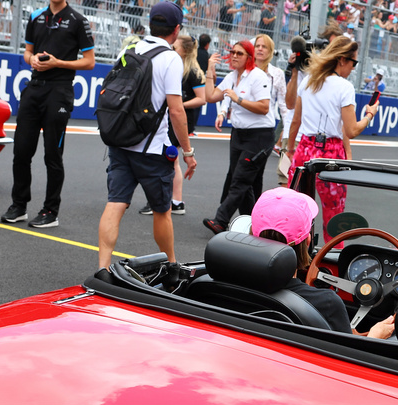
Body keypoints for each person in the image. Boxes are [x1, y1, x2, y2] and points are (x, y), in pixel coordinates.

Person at [96, 2, 196, 270]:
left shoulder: (130, 48)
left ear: (151, 23)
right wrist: (188, 152)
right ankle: (172, 267)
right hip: (152, 150)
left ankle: (103, 268)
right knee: (162, 211)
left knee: (115, 204)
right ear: (176, 29)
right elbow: (176, 111)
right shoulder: (171, 58)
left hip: (120, 142)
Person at [249, 188, 395, 338]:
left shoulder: (231, 281)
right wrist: (374, 337)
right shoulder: (327, 303)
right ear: (308, 241)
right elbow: (346, 356)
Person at [0, 0, 94, 228]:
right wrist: (30, 59)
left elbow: (90, 62)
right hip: (34, 88)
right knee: (21, 151)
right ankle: (19, 205)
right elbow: (27, 51)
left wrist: (58, 63)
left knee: (52, 154)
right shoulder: (36, 16)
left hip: (60, 90)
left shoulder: (79, 21)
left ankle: (51, 210)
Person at [285, 36, 377, 239]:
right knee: (334, 214)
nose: (353, 68)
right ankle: (331, 257)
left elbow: (295, 121)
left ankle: (296, 252)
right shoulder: (344, 87)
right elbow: (351, 130)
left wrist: (291, 150)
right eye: (354, 62)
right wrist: (370, 114)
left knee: (298, 208)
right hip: (330, 152)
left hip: (305, 149)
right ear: (342, 60)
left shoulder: (309, 80)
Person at [202, 39, 274, 234]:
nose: (234, 56)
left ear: (249, 57)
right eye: (232, 52)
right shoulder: (234, 76)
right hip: (239, 134)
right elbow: (210, 97)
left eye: (239, 53)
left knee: (240, 180)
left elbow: (264, 107)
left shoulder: (258, 76)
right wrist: (210, 70)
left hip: (259, 136)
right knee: (245, 182)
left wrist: (238, 100)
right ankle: (254, 224)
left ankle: (221, 220)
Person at [138, 33, 204, 217]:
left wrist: (179, 104)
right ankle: (176, 201)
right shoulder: (173, 66)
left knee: (168, 158)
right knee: (172, 159)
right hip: (171, 115)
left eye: (175, 47)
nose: (172, 49)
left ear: (185, 50)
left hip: (182, 118)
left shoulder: (192, 72)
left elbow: (202, 98)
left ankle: (167, 200)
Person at [253, 34, 288, 191]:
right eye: (257, 46)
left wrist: (286, 132)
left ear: (271, 51)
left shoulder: (277, 73)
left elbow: (284, 105)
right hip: (243, 127)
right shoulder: (246, 69)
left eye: (264, 46)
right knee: (238, 173)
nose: (260, 49)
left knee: (254, 173)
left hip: (264, 128)